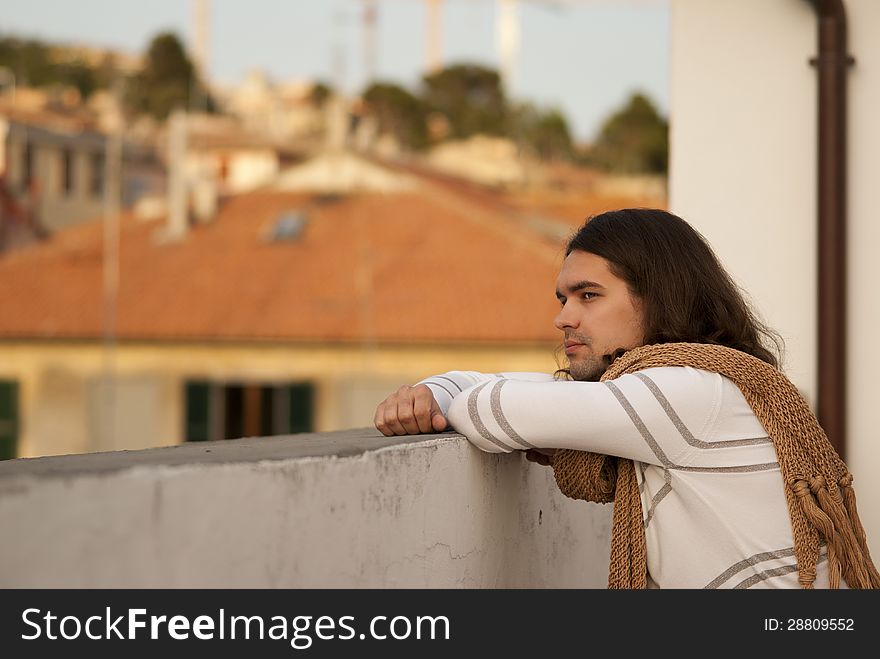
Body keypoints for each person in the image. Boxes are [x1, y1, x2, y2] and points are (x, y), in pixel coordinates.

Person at [373, 208, 879, 589]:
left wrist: (445, 396)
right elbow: (503, 387)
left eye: (588, 296)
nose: (564, 318)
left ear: (661, 297)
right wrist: (436, 389)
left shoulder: (684, 392)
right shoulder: (704, 383)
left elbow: (495, 408)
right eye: (563, 299)